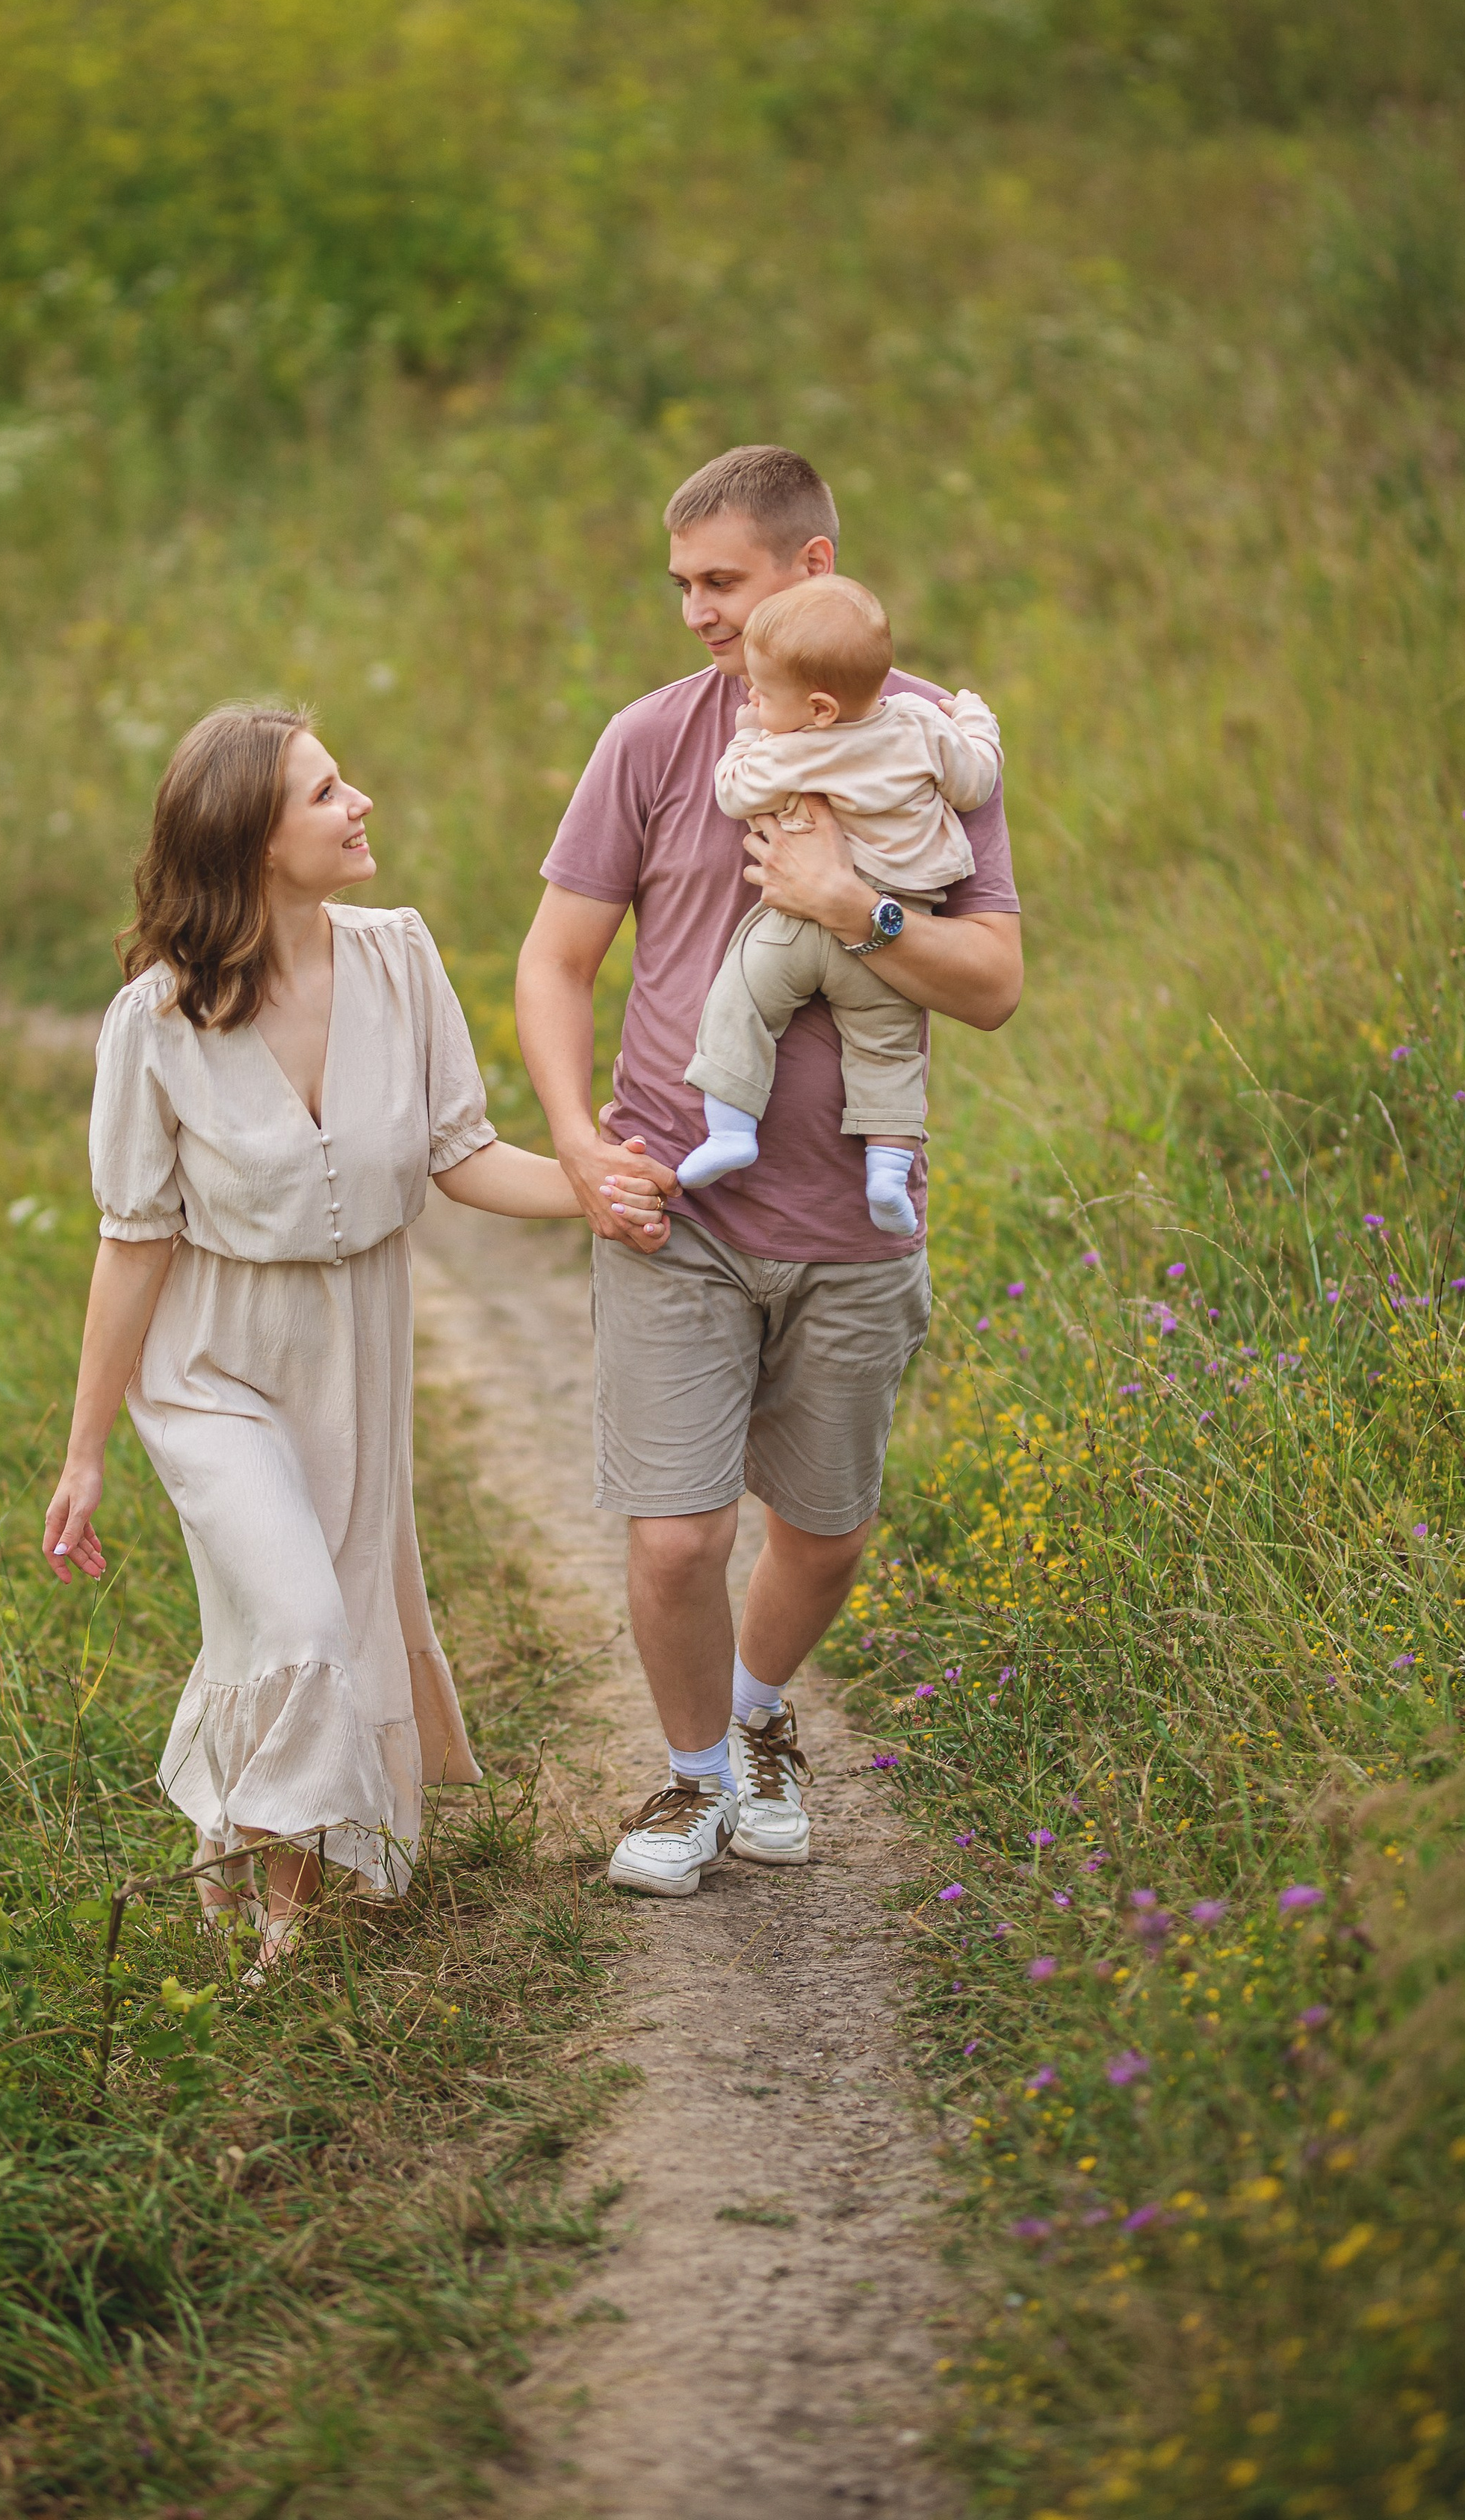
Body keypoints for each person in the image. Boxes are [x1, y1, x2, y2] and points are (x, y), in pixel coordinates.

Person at [41, 703, 664, 1971]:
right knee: (304, 1626)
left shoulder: (398, 957)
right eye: (325, 793)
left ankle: (247, 1843)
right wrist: (86, 1450)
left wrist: (596, 1186)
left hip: (353, 1356)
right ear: (254, 843)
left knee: (295, 1619)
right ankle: (292, 1922)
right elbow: (133, 1239)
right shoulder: (154, 1022)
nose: (360, 803)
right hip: (212, 1366)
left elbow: (462, 1153)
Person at [515, 445, 1021, 1897]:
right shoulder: (652, 741)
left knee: (823, 1535)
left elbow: (993, 985)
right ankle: (689, 1784)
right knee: (677, 1540)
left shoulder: (926, 744)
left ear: (811, 568)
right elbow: (554, 963)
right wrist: (575, 1140)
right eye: (679, 583)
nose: (694, 610)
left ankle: (755, 1717)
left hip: (853, 1219)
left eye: (719, 581)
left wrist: (852, 907)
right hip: (673, 1207)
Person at [676, 570, 1002, 1236]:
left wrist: (746, 734)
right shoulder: (919, 724)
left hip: (794, 928)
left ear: (819, 709)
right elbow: (976, 781)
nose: (753, 699)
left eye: (764, 693)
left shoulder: (790, 750)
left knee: (739, 1000)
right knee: (888, 1051)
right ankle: (887, 1170)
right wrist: (975, 720)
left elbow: (734, 792)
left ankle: (731, 1129)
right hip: (897, 928)